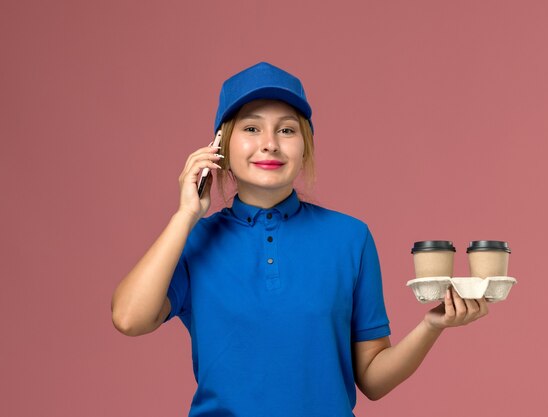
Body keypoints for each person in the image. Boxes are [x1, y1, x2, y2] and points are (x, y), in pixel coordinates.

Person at [111, 62, 489, 417]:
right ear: (220, 147)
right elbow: (129, 318)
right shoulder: (195, 241)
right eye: (252, 128)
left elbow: (373, 379)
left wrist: (431, 325)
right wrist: (185, 216)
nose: (270, 143)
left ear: (305, 145)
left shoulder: (349, 238)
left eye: (287, 130)